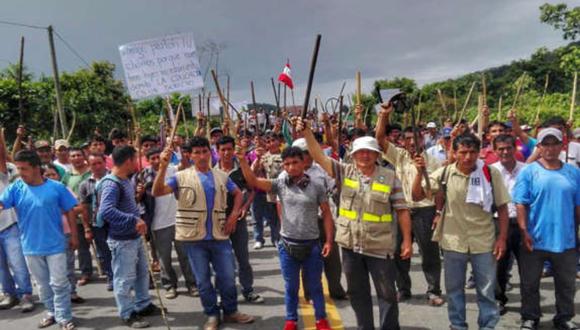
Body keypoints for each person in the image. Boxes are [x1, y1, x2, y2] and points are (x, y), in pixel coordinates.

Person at [297, 117, 413, 330]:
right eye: (360, 152)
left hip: (380, 247)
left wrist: (407, 241)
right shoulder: (344, 172)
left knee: (387, 294)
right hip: (351, 246)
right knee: (358, 294)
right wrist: (307, 133)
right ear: (353, 155)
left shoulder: (389, 177)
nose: (365, 155)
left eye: (369, 152)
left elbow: (402, 211)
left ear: (377, 155)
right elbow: (318, 156)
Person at [152, 136, 254, 330]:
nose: (201, 156)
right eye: (196, 153)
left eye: (204, 151)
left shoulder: (221, 176)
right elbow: (157, 191)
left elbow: (238, 193)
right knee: (203, 281)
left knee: (227, 277)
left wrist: (233, 215)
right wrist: (163, 167)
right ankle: (212, 315)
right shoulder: (180, 177)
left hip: (219, 235)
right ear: (189, 156)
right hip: (193, 239)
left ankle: (231, 311)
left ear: (210, 153)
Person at [412, 133, 510, 330]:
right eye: (463, 152)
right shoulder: (445, 173)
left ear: (479, 152)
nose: (468, 157)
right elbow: (417, 195)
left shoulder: (490, 173)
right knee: (454, 289)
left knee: (486, 290)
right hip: (453, 241)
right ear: (454, 153)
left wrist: (502, 239)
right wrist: (418, 172)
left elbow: (502, 208)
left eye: (472, 152)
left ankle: (488, 326)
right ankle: (457, 325)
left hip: (484, 241)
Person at [238, 145, 333, 330]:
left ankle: (321, 319)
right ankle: (291, 320)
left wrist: (329, 240)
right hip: (287, 245)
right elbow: (254, 181)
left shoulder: (317, 185)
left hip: (312, 245)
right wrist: (243, 161)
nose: (291, 167)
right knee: (290, 288)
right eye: (287, 164)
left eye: (295, 163)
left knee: (315, 287)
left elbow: (327, 214)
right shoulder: (280, 184)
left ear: (303, 163)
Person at [0, 150, 78, 330]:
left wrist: (74, 236)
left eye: (24, 168)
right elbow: (2, 204)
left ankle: (64, 317)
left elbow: (70, 211)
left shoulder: (56, 187)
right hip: (30, 247)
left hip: (56, 245)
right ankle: (51, 312)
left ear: (36, 168)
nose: (20, 172)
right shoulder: (15, 188)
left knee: (59, 283)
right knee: (43, 286)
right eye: (18, 168)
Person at [376, 104, 445, 306]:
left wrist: (438, 212)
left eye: (415, 138)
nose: (411, 143)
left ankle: (433, 290)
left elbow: (429, 192)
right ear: (403, 142)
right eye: (406, 139)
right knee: (398, 251)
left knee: (429, 253)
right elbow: (380, 139)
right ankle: (403, 289)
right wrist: (384, 116)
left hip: (424, 210)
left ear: (422, 139)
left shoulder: (432, 161)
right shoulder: (400, 156)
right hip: (401, 210)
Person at [513, 127, 580, 330]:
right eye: (545, 144)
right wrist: (524, 231)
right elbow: (520, 203)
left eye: (554, 143)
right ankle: (530, 317)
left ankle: (564, 317)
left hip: (565, 238)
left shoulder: (574, 173)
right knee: (530, 283)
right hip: (534, 238)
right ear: (539, 147)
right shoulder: (529, 171)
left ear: (562, 145)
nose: (550, 148)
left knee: (566, 284)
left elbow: (578, 206)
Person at [98, 146, 162, 328]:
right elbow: (106, 210)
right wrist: (133, 219)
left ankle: (143, 304)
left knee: (142, 273)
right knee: (124, 278)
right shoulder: (111, 183)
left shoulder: (125, 179)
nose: (137, 163)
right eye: (135, 159)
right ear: (128, 161)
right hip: (122, 239)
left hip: (134, 236)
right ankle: (127, 312)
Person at [137, 147, 197, 299]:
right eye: (153, 158)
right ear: (148, 160)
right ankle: (169, 285)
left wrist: (179, 148)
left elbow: (186, 165)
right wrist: (140, 192)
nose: (157, 161)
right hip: (158, 224)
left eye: (159, 157)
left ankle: (192, 284)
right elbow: (137, 198)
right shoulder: (143, 175)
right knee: (164, 258)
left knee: (185, 256)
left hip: (179, 220)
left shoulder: (173, 169)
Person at [291, 138, 347, 301]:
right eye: (302, 154)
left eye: (308, 153)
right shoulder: (290, 173)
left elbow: (334, 188)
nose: (306, 157)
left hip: (325, 220)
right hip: (303, 223)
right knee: (307, 260)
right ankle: (310, 293)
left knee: (332, 258)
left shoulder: (322, 170)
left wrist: (338, 182)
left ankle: (336, 290)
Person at [215, 136, 264, 304]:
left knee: (243, 258)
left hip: (239, 220)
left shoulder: (242, 169)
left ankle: (248, 290)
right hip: (218, 222)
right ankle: (222, 293)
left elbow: (252, 190)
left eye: (230, 149)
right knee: (220, 260)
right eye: (223, 149)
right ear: (217, 151)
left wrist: (244, 208)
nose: (227, 153)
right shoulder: (212, 171)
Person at [491, 134, 526, 315]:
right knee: (499, 265)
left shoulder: (527, 170)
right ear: (495, 150)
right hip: (498, 223)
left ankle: (529, 305)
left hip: (523, 224)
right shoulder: (490, 171)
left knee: (527, 266)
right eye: (501, 149)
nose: (505, 152)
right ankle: (499, 299)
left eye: (508, 148)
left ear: (515, 148)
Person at [0, 129, 34, 312]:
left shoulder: (6, 169)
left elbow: (2, 155)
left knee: (17, 263)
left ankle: (26, 294)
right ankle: (9, 294)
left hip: (9, 225)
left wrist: (2, 136)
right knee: (1, 267)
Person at [78, 153, 114, 291]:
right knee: (104, 252)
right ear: (89, 165)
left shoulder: (114, 179)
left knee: (120, 249)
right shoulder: (85, 184)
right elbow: (84, 208)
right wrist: (87, 228)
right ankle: (111, 277)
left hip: (116, 222)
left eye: (99, 163)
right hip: (97, 224)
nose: (97, 166)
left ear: (105, 162)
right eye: (94, 164)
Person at [62, 147, 93, 287]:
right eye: (73, 156)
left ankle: (109, 271)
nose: (76, 158)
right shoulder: (67, 176)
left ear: (84, 156)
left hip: (96, 214)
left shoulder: (92, 172)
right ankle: (86, 273)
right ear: (69, 159)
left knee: (104, 244)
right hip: (77, 217)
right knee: (82, 247)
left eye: (78, 155)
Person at [251, 132, 282, 249]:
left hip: (286, 191)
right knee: (273, 218)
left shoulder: (285, 155)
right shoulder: (264, 157)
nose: (272, 143)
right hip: (271, 193)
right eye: (268, 142)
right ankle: (276, 239)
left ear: (279, 141)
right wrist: (258, 158)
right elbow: (253, 172)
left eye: (274, 140)